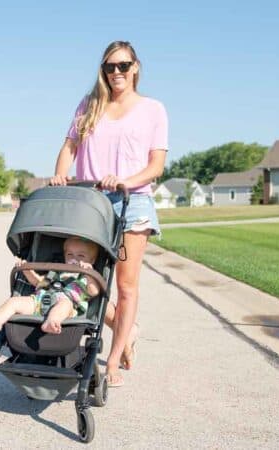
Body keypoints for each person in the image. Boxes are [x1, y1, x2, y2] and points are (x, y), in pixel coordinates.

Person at [50, 41, 168, 387]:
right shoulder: (90, 105)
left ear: (136, 67)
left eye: (122, 65)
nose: (116, 72)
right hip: (90, 204)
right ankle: (126, 331)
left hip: (132, 203)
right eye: (109, 67)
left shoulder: (153, 109)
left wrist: (126, 181)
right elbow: (69, 147)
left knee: (126, 287)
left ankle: (113, 361)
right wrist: (59, 175)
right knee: (86, 281)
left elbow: (156, 165)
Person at [0, 237, 101, 335]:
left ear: (92, 260)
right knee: (14, 301)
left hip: (67, 305)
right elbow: (38, 282)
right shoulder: (57, 271)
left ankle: (52, 322)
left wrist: (89, 273)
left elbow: (94, 291)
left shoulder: (86, 277)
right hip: (39, 301)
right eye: (70, 254)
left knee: (64, 305)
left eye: (81, 256)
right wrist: (27, 270)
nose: (74, 259)